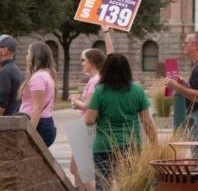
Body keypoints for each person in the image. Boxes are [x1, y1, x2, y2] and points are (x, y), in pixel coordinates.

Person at [86, 53, 157, 191]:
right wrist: (155, 145)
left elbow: (89, 120)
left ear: (105, 70)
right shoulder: (137, 90)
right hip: (130, 147)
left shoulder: (100, 91)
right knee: (129, 185)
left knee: (103, 186)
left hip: (104, 147)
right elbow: (147, 122)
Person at [67, 26, 111, 191]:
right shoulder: (95, 80)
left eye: (83, 60)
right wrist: (77, 103)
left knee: (81, 168)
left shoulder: (95, 81)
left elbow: (89, 106)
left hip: (86, 126)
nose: (82, 63)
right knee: (74, 167)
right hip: (84, 125)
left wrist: (75, 100)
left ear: (92, 61)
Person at [19, 42, 57, 147]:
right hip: (43, 123)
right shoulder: (47, 74)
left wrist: (29, 132)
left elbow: (38, 108)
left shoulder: (38, 77)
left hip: (38, 124)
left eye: (28, 53)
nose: (26, 57)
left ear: (35, 56)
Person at [0, 35, 22, 116]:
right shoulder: (16, 69)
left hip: (6, 122)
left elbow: (2, 104)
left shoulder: (5, 71)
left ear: (5, 50)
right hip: (13, 119)